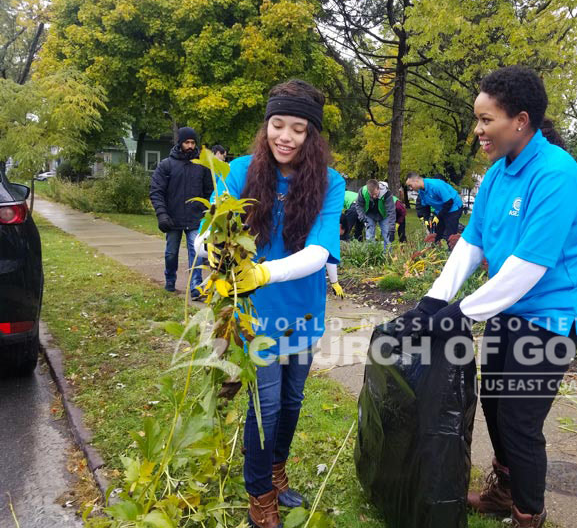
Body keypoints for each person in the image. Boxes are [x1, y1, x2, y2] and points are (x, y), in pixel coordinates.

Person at [398, 66, 577, 527]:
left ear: (520, 121)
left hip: (551, 313)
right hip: (511, 308)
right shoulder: (496, 176)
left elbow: (528, 269)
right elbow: (473, 242)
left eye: (487, 120)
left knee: (520, 421)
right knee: (494, 402)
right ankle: (505, 491)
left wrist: (458, 313)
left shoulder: (556, 175)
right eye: (477, 119)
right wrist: (434, 301)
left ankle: (529, 514)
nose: (478, 130)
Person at [201, 80, 344, 528]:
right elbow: (210, 231)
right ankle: (259, 491)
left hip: (301, 308)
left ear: (311, 136)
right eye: (276, 125)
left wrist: (264, 271)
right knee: (266, 404)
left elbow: (320, 253)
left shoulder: (330, 183)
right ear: (265, 126)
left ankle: (277, 471)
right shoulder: (239, 170)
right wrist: (210, 249)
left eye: (297, 129)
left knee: (293, 398)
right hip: (253, 312)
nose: (284, 136)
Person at [149, 126, 213, 297]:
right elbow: (156, 191)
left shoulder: (202, 166)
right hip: (172, 218)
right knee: (171, 253)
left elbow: (209, 192)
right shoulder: (166, 165)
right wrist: (162, 214)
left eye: (193, 142)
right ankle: (170, 281)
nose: (190, 146)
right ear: (180, 143)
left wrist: (208, 213)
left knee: (197, 252)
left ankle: (196, 287)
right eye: (187, 142)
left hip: (195, 218)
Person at [405, 172, 463, 243]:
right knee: (437, 233)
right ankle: (437, 249)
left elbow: (449, 202)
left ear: (416, 181)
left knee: (450, 235)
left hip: (454, 208)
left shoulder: (435, 185)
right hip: (442, 209)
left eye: (410, 185)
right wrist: (426, 219)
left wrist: (438, 217)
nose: (410, 188)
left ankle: (452, 251)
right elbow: (425, 206)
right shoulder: (421, 191)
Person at [354, 179, 395, 249]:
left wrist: (391, 228)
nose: (374, 197)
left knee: (387, 236)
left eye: (376, 194)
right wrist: (362, 216)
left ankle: (388, 256)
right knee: (369, 237)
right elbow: (358, 205)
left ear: (378, 188)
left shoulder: (387, 193)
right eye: (371, 195)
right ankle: (371, 256)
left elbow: (391, 212)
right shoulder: (363, 191)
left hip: (383, 215)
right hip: (369, 215)